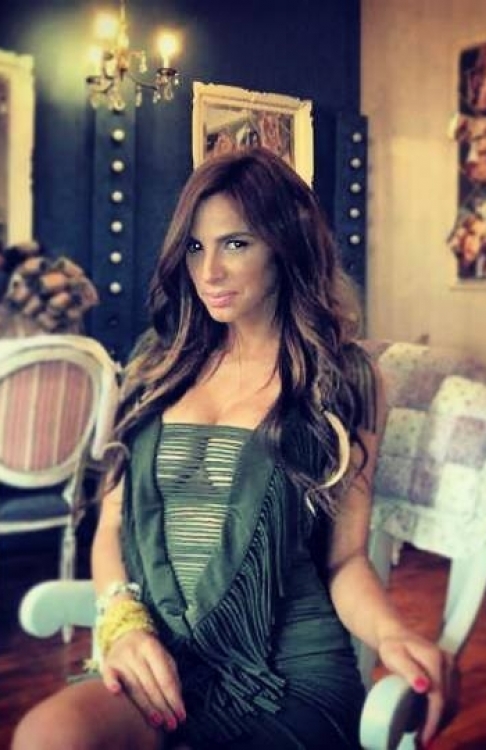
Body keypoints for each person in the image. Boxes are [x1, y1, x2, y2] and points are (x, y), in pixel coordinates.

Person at [12, 147, 446, 750]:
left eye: (235, 244)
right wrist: (122, 623)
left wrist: (393, 633)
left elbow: (345, 559)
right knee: (47, 735)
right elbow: (111, 527)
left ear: (286, 245)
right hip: (162, 654)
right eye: (195, 246)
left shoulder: (344, 377)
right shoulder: (156, 364)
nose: (209, 270)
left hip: (287, 672)